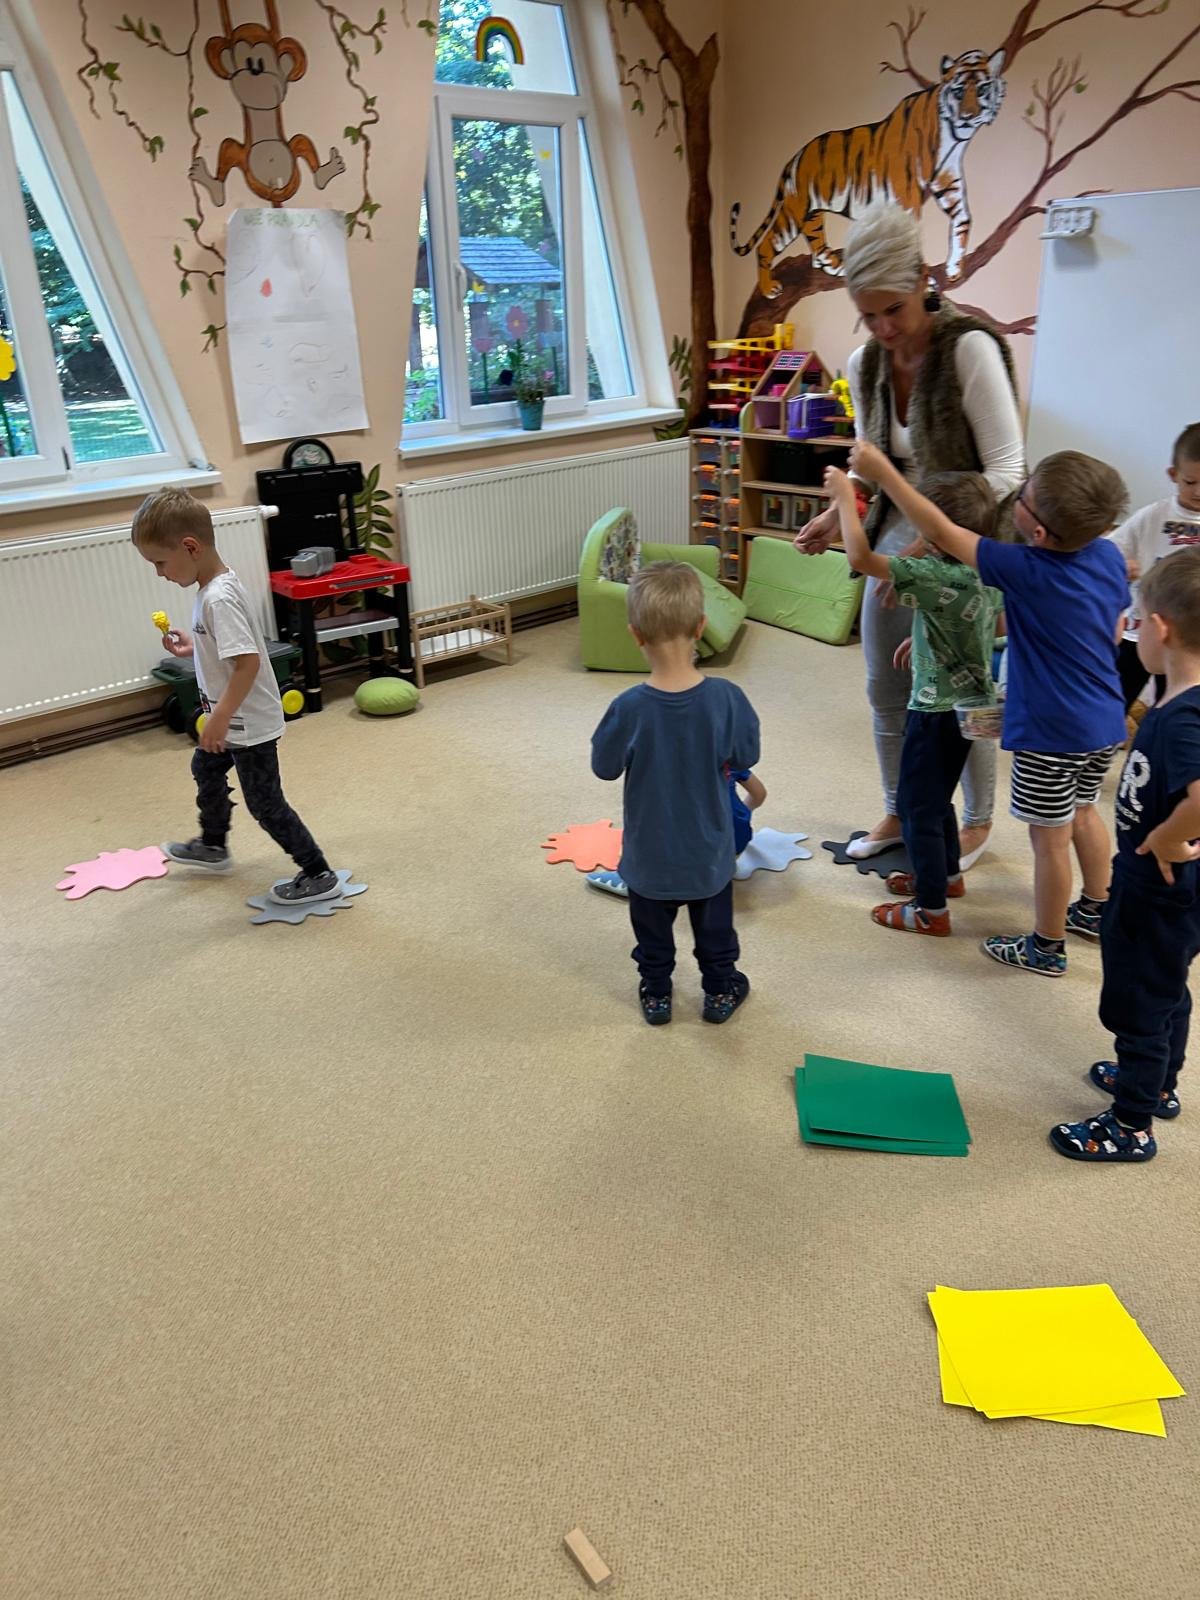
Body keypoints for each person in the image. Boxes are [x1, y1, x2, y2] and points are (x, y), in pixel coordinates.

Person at [794, 201, 1023, 869]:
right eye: (868, 315)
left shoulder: (969, 349)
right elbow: (871, 464)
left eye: (893, 309)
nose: (884, 328)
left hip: (968, 538)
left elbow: (1008, 472)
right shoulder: (865, 362)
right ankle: (901, 806)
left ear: (924, 280)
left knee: (961, 688)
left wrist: (929, 544)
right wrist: (835, 515)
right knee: (887, 686)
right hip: (896, 531)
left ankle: (975, 821)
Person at [852, 441, 1130, 975]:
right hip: (1105, 719)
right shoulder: (1107, 556)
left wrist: (881, 471)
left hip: (1053, 733)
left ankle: (1045, 946)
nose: (1016, 496)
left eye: (1023, 496)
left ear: (1038, 531)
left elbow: (937, 527)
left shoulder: (1022, 565)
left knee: (1048, 841)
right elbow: (1110, 630)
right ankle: (1096, 908)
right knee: (1084, 812)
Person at [1050, 548, 1200, 1162]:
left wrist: (1166, 837)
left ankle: (1131, 1124)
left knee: (1139, 1002)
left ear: (1159, 629)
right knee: (1166, 988)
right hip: (1174, 888)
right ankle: (1159, 1083)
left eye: (1136, 621)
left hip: (1156, 886)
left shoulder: (1184, 718)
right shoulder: (1179, 699)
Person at [132, 487, 339, 904]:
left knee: (265, 803)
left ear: (190, 547)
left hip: (247, 723)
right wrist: (194, 648)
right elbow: (227, 651)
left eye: (159, 562)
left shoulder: (219, 598)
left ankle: (318, 872)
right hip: (230, 719)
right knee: (205, 769)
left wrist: (221, 717)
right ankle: (213, 845)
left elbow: (247, 664)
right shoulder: (212, 588)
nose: (158, 573)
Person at [826, 460, 1001, 935]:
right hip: (974, 705)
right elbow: (989, 622)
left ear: (936, 533)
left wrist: (844, 498)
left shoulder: (932, 572)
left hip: (935, 710)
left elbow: (861, 560)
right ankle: (945, 877)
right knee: (937, 798)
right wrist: (929, 638)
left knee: (916, 808)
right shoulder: (987, 568)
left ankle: (930, 910)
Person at [590, 561, 760, 1025]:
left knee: (652, 937)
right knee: (716, 933)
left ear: (635, 635)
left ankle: (657, 993)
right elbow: (747, 754)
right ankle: (720, 991)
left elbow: (604, 768)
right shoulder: (729, 698)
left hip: (649, 858)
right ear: (701, 627)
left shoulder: (627, 707)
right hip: (708, 853)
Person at [1108, 421, 1200, 712]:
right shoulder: (1152, 516)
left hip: (1189, 639)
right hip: (1141, 629)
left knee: (1174, 705)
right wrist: (1121, 566)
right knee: (1113, 698)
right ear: (1173, 475)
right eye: (1190, 482)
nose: (1199, 492)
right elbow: (1108, 551)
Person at [586, 767, 766, 898]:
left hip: (691, 855)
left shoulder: (673, 770)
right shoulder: (731, 761)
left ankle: (632, 881)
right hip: (735, 843)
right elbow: (759, 794)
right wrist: (742, 814)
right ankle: (724, 866)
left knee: (647, 824)